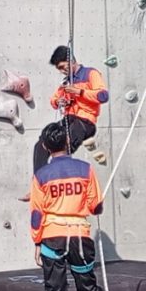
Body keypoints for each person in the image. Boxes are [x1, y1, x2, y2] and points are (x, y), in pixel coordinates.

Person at [29, 122, 104, 291]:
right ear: (69, 143)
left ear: (45, 146)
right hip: (80, 235)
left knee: (55, 288)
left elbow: (36, 214)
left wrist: (36, 241)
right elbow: (96, 206)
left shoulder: (41, 175)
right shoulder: (86, 169)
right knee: (87, 284)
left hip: (52, 235)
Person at [20, 46, 109, 201]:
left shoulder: (90, 74)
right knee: (41, 144)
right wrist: (59, 100)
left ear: (70, 61)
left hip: (85, 121)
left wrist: (79, 92)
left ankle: (63, 188)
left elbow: (103, 96)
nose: (61, 71)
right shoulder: (66, 82)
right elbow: (53, 100)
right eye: (59, 68)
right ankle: (38, 187)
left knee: (65, 147)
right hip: (68, 119)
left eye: (62, 67)